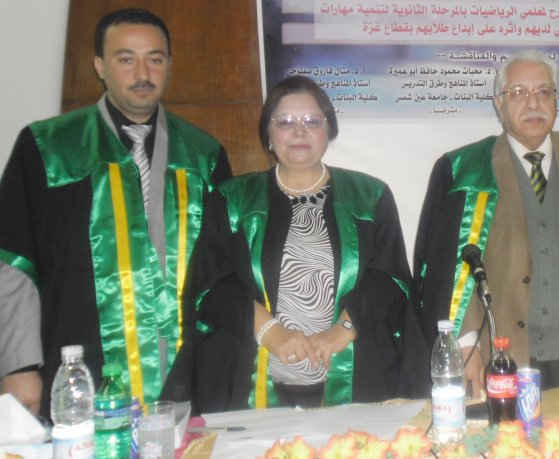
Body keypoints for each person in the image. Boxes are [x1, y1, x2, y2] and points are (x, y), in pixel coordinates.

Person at [0, 8, 232, 417]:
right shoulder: (50, 147)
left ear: (169, 64)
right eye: (126, 59)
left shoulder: (203, 155)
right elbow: (12, 262)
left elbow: (224, 272)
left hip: (184, 372)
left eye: (155, 59)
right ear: (99, 66)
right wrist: (19, 366)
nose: (142, 73)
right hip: (77, 369)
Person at [176, 75, 424, 412]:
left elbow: (390, 277)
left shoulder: (369, 195)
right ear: (268, 134)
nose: (299, 131)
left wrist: (345, 327)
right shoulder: (233, 198)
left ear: (329, 130)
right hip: (250, 379)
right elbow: (211, 283)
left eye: (312, 121)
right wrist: (269, 330)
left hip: (357, 375)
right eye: (285, 122)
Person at [413, 49, 559, 396]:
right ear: (499, 103)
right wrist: (465, 343)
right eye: (518, 93)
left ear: (556, 99)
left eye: (543, 92)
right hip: (500, 356)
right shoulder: (465, 169)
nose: (533, 104)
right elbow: (445, 269)